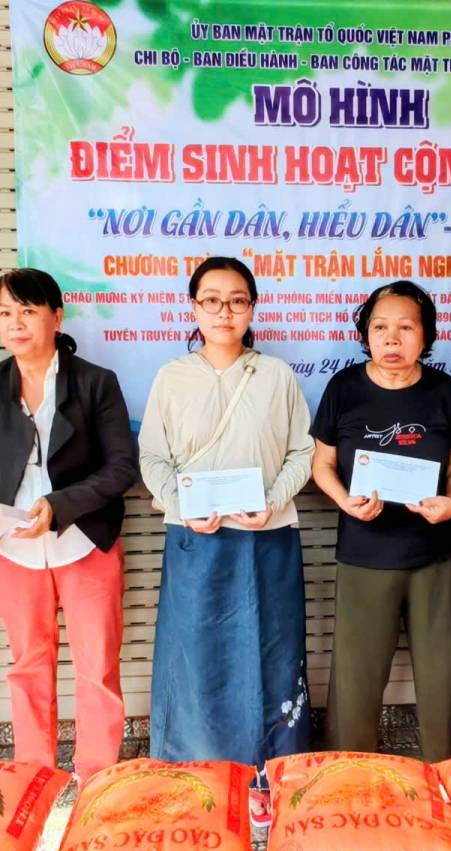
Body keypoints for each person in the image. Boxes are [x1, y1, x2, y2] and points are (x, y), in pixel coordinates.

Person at [0, 268, 139, 778]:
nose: (15, 324)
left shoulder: (95, 382)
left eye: (28, 311)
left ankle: (95, 774)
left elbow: (121, 467)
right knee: (27, 666)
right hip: (13, 550)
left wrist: (60, 505)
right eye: (4, 313)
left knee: (96, 667)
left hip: (85, 542)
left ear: (56, 317)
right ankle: (34, 775)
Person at [139, 257, 314, 767]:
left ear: (252, 308)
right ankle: (194, 766)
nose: (224, 312)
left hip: (266, 538)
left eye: (237, 301)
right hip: (195, 539)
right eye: (211, 301)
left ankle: (270, 767)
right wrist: (181, 507)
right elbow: (152, 457)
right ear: (193, 308)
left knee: (269, 650)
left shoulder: (276, 375)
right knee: (195, 654)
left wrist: (273, 500)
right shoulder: (172, 378)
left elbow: (303, 451)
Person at [310, 280, 451, 761]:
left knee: (442, 676)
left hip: (435, 556)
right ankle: (350, 774)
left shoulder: (442, 390)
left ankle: (445, 775)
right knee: (356, 678)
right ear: (365, 334)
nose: (392, 338)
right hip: (365, 554)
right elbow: (322, 464)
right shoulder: (344, 388)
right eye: (380, 327)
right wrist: (345, 501)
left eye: (406, 327)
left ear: (426, 335)